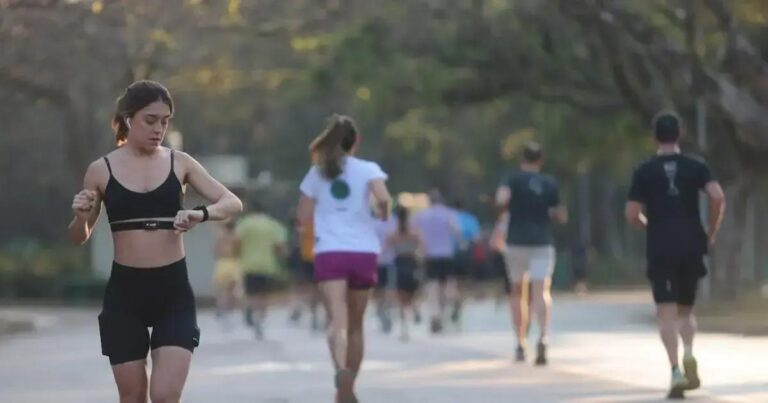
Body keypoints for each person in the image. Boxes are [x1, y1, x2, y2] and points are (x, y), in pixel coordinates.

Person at [68, 80, 242, 403]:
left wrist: (200, 214)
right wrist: (80, 216)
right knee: (133, 396)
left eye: (165, 121)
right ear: (128, 117)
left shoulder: (181, 162)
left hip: (172, 292)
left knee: (164, 395)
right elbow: (79, 236)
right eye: (151, 120)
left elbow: (231, 201)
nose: (158, 128)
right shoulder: (100, 170)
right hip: (124, 294)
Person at [625, 111, 725, 399]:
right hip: (691, 244)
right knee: (686, 310)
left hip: (661, 247)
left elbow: (631, 213)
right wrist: (711, 230)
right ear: (679, 134)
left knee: (665, 312)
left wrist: (649, 226)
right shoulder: (696, 166)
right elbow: (717, 195)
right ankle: (690, 352)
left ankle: (675, 371)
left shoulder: (644, 170)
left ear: (655, 137)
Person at [297, 114, 391, 403]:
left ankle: (340, 372)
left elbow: (302, 217)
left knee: (337, 321)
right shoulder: (369, 169)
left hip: (330, 253)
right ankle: (349, 385)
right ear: (356, 142)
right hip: (364, 252)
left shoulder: (316, 173)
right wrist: (381, 214)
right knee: (357, 324)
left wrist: (307, 238)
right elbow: (384, 198)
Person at [496, 141, 567, 365]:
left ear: (522, 159)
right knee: (541, 291)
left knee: (517, 292)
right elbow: (561, 214)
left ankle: (520, 342)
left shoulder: (512, 179)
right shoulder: (549, 183)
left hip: (516, 242)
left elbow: (501, 199)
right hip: (542, 242)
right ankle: (543, 337)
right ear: (541, 160)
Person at [236, 200, 289, 339]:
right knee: (264, 295)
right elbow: (281, 247)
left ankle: (250, 309)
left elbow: (236, 242)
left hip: (248, 264)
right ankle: (260, 319)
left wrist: (239, 254)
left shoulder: (245, 223)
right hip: (268, 266)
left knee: (251, 293)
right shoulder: (273, 225)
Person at [412, 189, 462, 334]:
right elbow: (457, 232)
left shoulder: (421, 216)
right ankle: (445, 310)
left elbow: (415, 233)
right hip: (446, 254)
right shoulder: (449, 214)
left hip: (429, 255)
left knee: (432, 286)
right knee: (446, 286)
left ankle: (435, 314)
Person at [385, 206, 425, 342]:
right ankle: (414, 308)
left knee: (400, 297)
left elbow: (385, 248)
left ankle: (404, 328)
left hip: (399, 263)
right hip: (412, 263)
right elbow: (422, 246)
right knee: (414, 291)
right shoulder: (414, 233)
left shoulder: (393, 234)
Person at [212, 219, 243, 331]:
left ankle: (221, 310)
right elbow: (239, 251)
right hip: (232, 262)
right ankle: (230, 311)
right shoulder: (236, 237)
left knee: (221, 290)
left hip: (221, 263)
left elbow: (215, 251)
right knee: (232, 290)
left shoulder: (220, 237)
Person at [373, 212, 397, 334]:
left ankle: (385, 309)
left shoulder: (393, 222)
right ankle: (381, 309)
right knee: (380, 289)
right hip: (378, 261)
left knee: (388, 288)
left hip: (389, 261)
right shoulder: (372, 223)